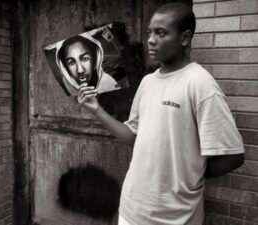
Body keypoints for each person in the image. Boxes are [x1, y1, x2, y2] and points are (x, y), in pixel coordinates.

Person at [77, 2, 244, 225]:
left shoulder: (200, 84)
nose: (151, 40)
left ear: (185, 38)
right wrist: (97, 110)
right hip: (131, 210)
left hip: (175, 218)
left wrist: (189, 174)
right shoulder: (147, 82)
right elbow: (133, 136)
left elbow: (233, 157)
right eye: (150, 32)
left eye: (161, 33)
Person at [56, 33, 120, 96]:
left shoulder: (108, 82)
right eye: (71, 62)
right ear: (65, 67)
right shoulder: (67, 82)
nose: (80, 70)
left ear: (94, 60)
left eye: (85, 59)